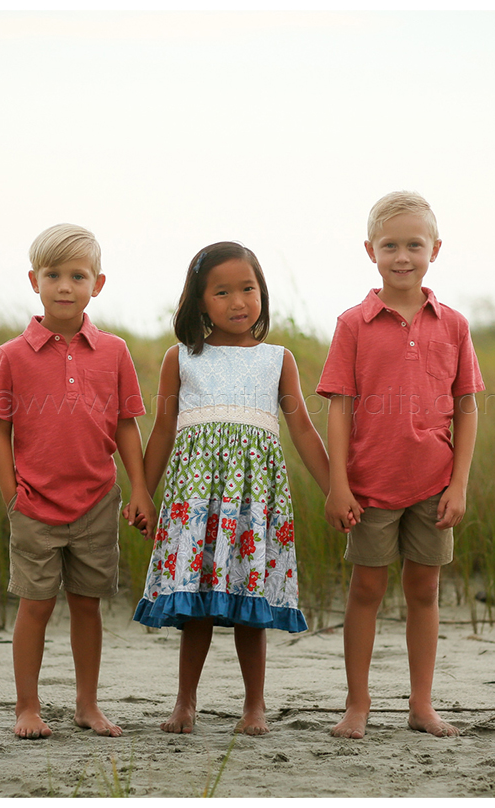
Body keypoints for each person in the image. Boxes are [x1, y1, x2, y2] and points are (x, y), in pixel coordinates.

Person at [134, 241, 329, 736]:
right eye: (222, 292)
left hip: (253, 502)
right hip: (196, 501)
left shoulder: (277, 359)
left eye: (248, 289)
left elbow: (303, 429)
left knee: (249, 605)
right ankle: (185, 702)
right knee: (196, 603)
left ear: (263, 292)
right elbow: (162, 430)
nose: (238, 302)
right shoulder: (181, 358)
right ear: (200, 302)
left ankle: (254, 706)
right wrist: (141, 492)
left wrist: (336, 489)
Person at [317, 191, 484, 740]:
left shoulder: (453, 325)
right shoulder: (354, 324)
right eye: (390, 246)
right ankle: (358, 705)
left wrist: (459, 485)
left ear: (435, 249)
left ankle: (421, 705)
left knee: (424, 592)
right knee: (365, 590)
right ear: (371, 251)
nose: (403, 256)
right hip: (371, 485)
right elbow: (339, 407)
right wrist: (339, 484)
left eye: (415, 245)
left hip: (433, 484)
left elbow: (466, 407)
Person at [0, 223, 155, 740]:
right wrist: (13, 497)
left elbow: (126, 425)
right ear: (34, 280)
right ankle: (27, 708)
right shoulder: (13, 354)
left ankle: (87, 705)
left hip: (97, 500)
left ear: (97, 284)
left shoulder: (114, 351)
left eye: (77, 276)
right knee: (35, 606)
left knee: (87, 605)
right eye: (53, 275)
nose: (64, 286)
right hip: (35, 504)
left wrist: (140, 488)